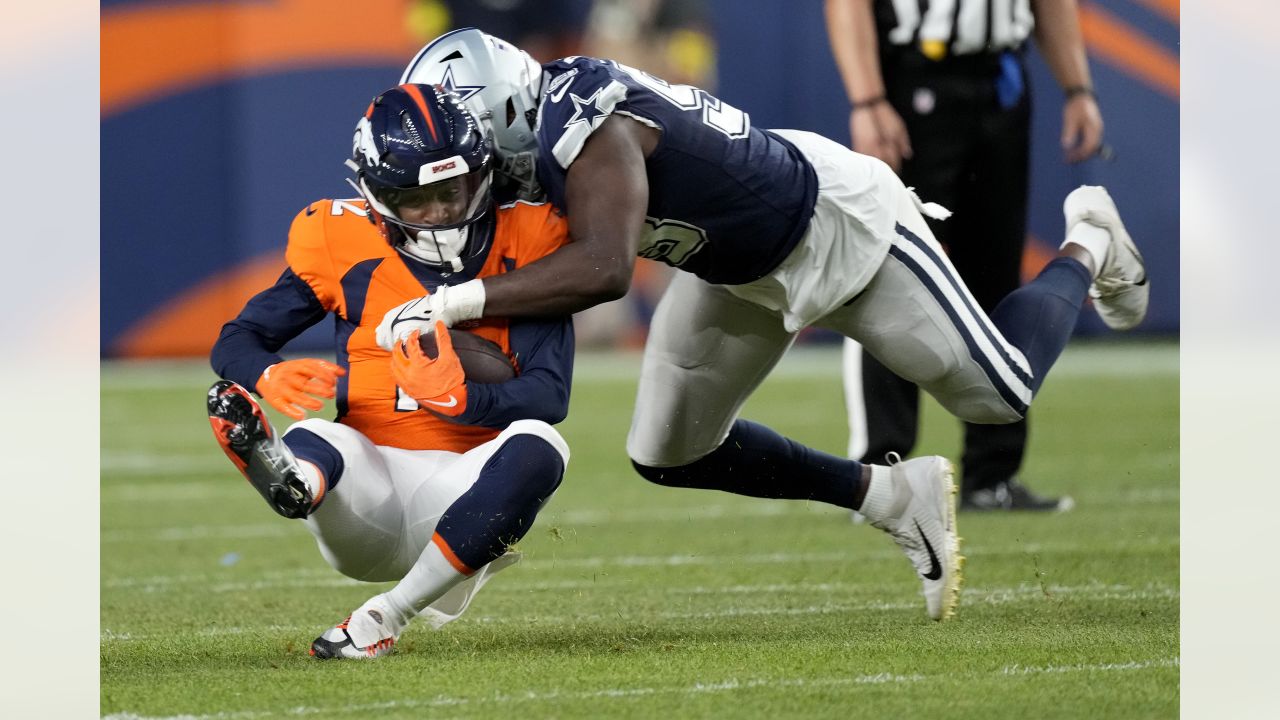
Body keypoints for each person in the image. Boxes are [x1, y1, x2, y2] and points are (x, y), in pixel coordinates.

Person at [385, 28, 1148, 623]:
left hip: (837, 228)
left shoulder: (584, 120)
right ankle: (890, 497)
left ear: (505, 111)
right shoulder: (527, 149)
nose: (462, 172)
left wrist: (457, 304)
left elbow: (605, 269)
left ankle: (1089, 241)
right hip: (734, 267)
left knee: (1000, 390)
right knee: (667, 449)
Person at [206, 84, 575, 659]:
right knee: (323, 437)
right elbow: (239, 339)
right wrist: (265, 374)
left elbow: (549, 395)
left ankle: (383, 617)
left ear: (480, 175)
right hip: (365, 492)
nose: (439, 213)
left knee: (542, 443)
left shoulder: (529, 237)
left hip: (466, 488)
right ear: (377, 196)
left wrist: (461, 400)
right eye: (414, 198)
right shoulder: (339, 239)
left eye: (451, 191)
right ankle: (293, 481)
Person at [824, 0, 1104, 512]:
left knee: (995, 278)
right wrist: (867, 99)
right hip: (913, 80)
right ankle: (882, 472)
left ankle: (991, 475)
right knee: (889, 274)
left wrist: (1077, 87)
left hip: (1001, 79)